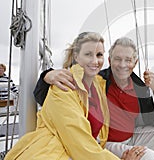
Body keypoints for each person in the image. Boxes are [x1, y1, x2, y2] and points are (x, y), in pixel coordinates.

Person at [33, 37, 154, 160]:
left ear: (135, 62)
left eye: (128, 60)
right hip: (106, 142)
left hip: (133, 136)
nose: (122, 65)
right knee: (149, 157)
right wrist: (47, 75)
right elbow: (48, 98)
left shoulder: (140, 87)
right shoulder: (98, 81)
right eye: (117, 59)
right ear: (109, 60)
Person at [5, 32, 144, 160]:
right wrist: (46, 76)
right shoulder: (64, 86)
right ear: (76, 56)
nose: (95, 61)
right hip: (53, 153)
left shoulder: (99, 84)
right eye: (88, 54)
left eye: (99, 55)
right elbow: (79, 143)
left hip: (84, 151)